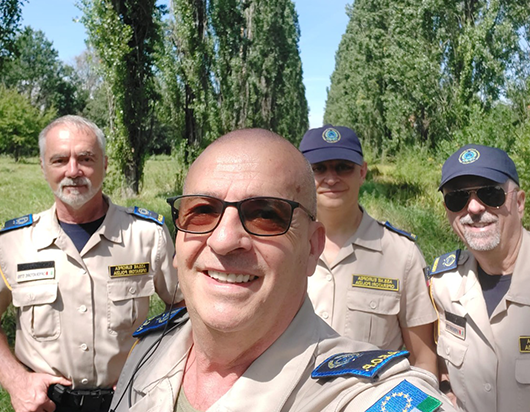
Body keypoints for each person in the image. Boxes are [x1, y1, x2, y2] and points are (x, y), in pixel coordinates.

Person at [110, 128, 456, 412]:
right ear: (178, 240)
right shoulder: (147, 351)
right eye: (201, 212)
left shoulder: (364, 396)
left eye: (265, 215)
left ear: (312, 247)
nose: (224, 240)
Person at [0, 115, 179, 412]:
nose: (73, 171)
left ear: (105, 164)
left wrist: (156, 363)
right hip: (45, 405)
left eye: (86, 158)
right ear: (43, 167)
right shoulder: (12, 244)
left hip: (128, 401)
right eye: (59, 160)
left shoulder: (148, 236)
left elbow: (184, 308)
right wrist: (15, 380)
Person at [298, 125, 437, 375]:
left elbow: (423, 359)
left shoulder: (402, 255)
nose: (331, 178)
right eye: (318, 168)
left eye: (343, 167)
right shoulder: (282, 246)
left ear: (362, 172)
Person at [430, 144, 530, 412]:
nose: (473, 207)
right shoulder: (443, 284)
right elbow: (442, 368)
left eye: (490, 193)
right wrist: (447, 392)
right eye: (457, 199)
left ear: (519, 203)